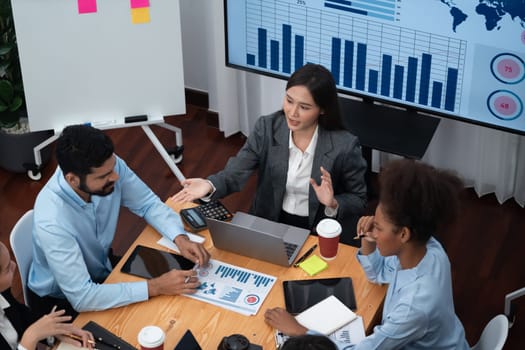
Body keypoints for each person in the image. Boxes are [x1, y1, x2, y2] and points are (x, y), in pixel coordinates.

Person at [264, 159, 470, 349]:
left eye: (379, 227)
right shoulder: (429, 249)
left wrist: (300, 331)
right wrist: (370, 241)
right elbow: (377, 275)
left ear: (404, 234)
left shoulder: (413, 307)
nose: (373, 228)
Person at [28, 125, 210, 318]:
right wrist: (155, 286)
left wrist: (180, 238)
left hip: (101, 268)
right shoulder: (52, 221)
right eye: (104, 176)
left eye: (113, 168)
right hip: (61, 301)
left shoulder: (106, 166)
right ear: (72, 180)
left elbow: (147, 203)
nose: (115, 176)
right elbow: (82, 297)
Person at [172, 64, 367, 244]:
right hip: (269, 223)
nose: (292, 112)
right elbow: (236, 172)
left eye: (304, 107)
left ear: (322, 109)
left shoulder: (345, 145)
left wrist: (333, 203)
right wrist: (209, 184)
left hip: (317, 231)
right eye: (289, 101)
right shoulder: (267, 127)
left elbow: (358, 199)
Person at [0, 242, 93, 350]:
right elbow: (29, 335)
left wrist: (53, 331)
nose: (14, 265)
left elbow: (23, 317)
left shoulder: (3, 293)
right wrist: (29, 339)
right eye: (7, 269)